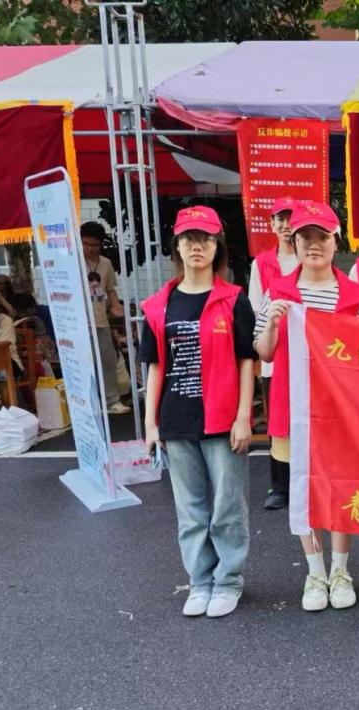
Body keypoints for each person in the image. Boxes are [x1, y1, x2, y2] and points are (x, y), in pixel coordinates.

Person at [254, 201, 359, 612]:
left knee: (340, 487)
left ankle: (341, 570)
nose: (313, 245)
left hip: (342, 410)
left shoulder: (356, 295)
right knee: (302, 487)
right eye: (305, 237)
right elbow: (263, 352)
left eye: (321, 237)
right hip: (295, 406)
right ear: (295, 242)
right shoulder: (279, 291)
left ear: (335, 241)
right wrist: (272, 323)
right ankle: (314, 571)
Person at [139, 206, 256, 618]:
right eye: (189, 238)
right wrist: (150, 423)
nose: (197, 246)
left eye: (205, 239)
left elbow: (246, 361)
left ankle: (229, 581)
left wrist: (243, 416)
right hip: (176, 419)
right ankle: (200, 581)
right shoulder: (158, 306)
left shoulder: (233, 300)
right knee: (190, 511)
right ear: (177, 246)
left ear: (217, 246)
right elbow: (155, 367)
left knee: (227, 507)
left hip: (222, 419)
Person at [247, 196, 299, 512]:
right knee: (277, 422)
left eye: (290, 219)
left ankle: (308, 483)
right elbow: (257, 308)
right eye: (280, 219)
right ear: (271, 224)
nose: (286, 225)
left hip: (305, 356)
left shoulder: (310, 257)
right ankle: (279, 486)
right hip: (275, 357)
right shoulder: (262, 263)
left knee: (306, 421)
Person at [80, 222, 129, 415]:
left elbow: (110, 289)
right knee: (84, 363)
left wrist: (116, 305)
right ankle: (87, 403)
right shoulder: (72, 261)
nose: (90, 249)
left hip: (100, 319)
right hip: (78, 322)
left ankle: (112, 401)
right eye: (86, 244)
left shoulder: (106, 263)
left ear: (101, 244)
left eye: (95, 245)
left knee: (108, 361)